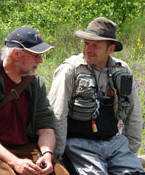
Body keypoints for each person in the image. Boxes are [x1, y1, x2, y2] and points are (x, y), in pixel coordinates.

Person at [0, 26, 69, 175]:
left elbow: (45, 127)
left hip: (25, 146)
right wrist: (14, 162)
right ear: (16, 54)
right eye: (36, 56)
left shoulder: (35, 82)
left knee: (60, 173)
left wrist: (47, 154)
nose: (40, 61)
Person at [48, 17, 145, 175]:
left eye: (95, 45)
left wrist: (130, 149)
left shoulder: (122, 70)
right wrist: (58, 155)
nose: (88, 49)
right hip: (79, 145)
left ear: (110, 49)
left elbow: (133, 112)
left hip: (114, 143)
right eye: (86, 43)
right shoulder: (70, 70)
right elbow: (58, 114)